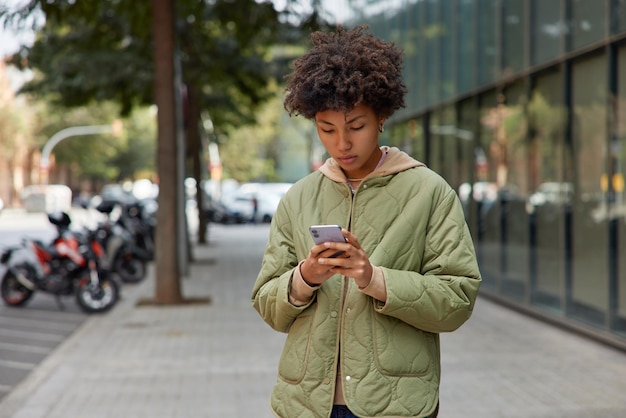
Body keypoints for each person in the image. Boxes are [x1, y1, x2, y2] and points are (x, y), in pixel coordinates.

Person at [251, 25, 481, 418]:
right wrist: (304, 276)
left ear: (382, 117)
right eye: (327, 129)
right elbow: (267, 304)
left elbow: (457, 299)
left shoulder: (429, 192)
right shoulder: (299, 197)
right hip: (306, 404)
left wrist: (373, 278)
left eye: (355, 126)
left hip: (396, 405)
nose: (342, 143)